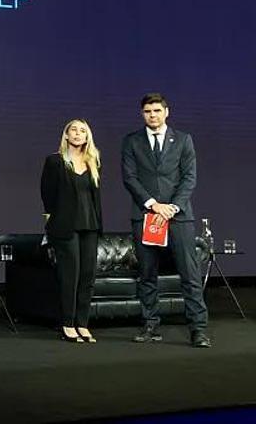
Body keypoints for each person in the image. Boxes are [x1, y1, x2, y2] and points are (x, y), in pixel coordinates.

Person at [121, 93, 209, 348]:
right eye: (148, 111)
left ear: (166, 112)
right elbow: (130, 177)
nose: (153, 115)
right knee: (147, 275)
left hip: (178, 217)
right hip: (145, 215)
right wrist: (153, 205)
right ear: (142, 114)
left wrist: (173, 206)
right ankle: (150, 325)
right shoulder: (131, 141)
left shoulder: (183, 140)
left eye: (157, 110)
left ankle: (198, 329)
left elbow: (189, 177)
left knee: (190, 275)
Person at [40, 119, 103, 343]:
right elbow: (47, 194)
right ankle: (67, 323)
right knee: (70, 276)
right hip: (66, 227)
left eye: (82, 131)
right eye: (73, 130)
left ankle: (82, 324)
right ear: (66, 135)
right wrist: (50, 221)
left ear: (88, 137)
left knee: (88, 276)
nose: (78, 134)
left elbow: (94, 196)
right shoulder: (55, 161)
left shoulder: (93, 161)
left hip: (91, 225)